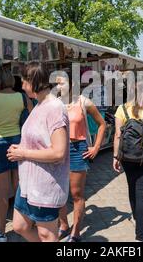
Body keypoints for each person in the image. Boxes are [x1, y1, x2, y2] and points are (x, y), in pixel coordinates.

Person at [9, 62, 70, 242]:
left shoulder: (55, 108)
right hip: (29, 184)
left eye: (24, 81)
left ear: (33, 81)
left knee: (47, 234)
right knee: (19, 226)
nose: (21, 86)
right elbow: (37, 141)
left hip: (46, 185)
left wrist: (23, 153)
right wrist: (20, 149)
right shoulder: (38, 105)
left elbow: (58, 152)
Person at [56, 74, 106, 242]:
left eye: (61, 83)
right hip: (58, 149)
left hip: (78, 150)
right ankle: (63, 225)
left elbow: (102, 124)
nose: (58, 87)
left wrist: (96, 147)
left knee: (76, 193)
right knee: (59, 192)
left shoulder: (83, 102)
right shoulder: (54, 103)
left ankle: (76, 233)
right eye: (56, 84)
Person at [0, 67, 33, 242]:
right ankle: (27, 224)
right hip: (17, 142)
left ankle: (1, 232)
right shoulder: (22, 97)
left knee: (2, 194)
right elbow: (31, 117)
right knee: (20, 188)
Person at [113, 80, 143, 242]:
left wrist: (115, 156)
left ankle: (135, 217)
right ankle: (139, 237)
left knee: (131, 186)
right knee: (142, 192)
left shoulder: (121, 109)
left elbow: (118, 135)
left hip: (127, 155)